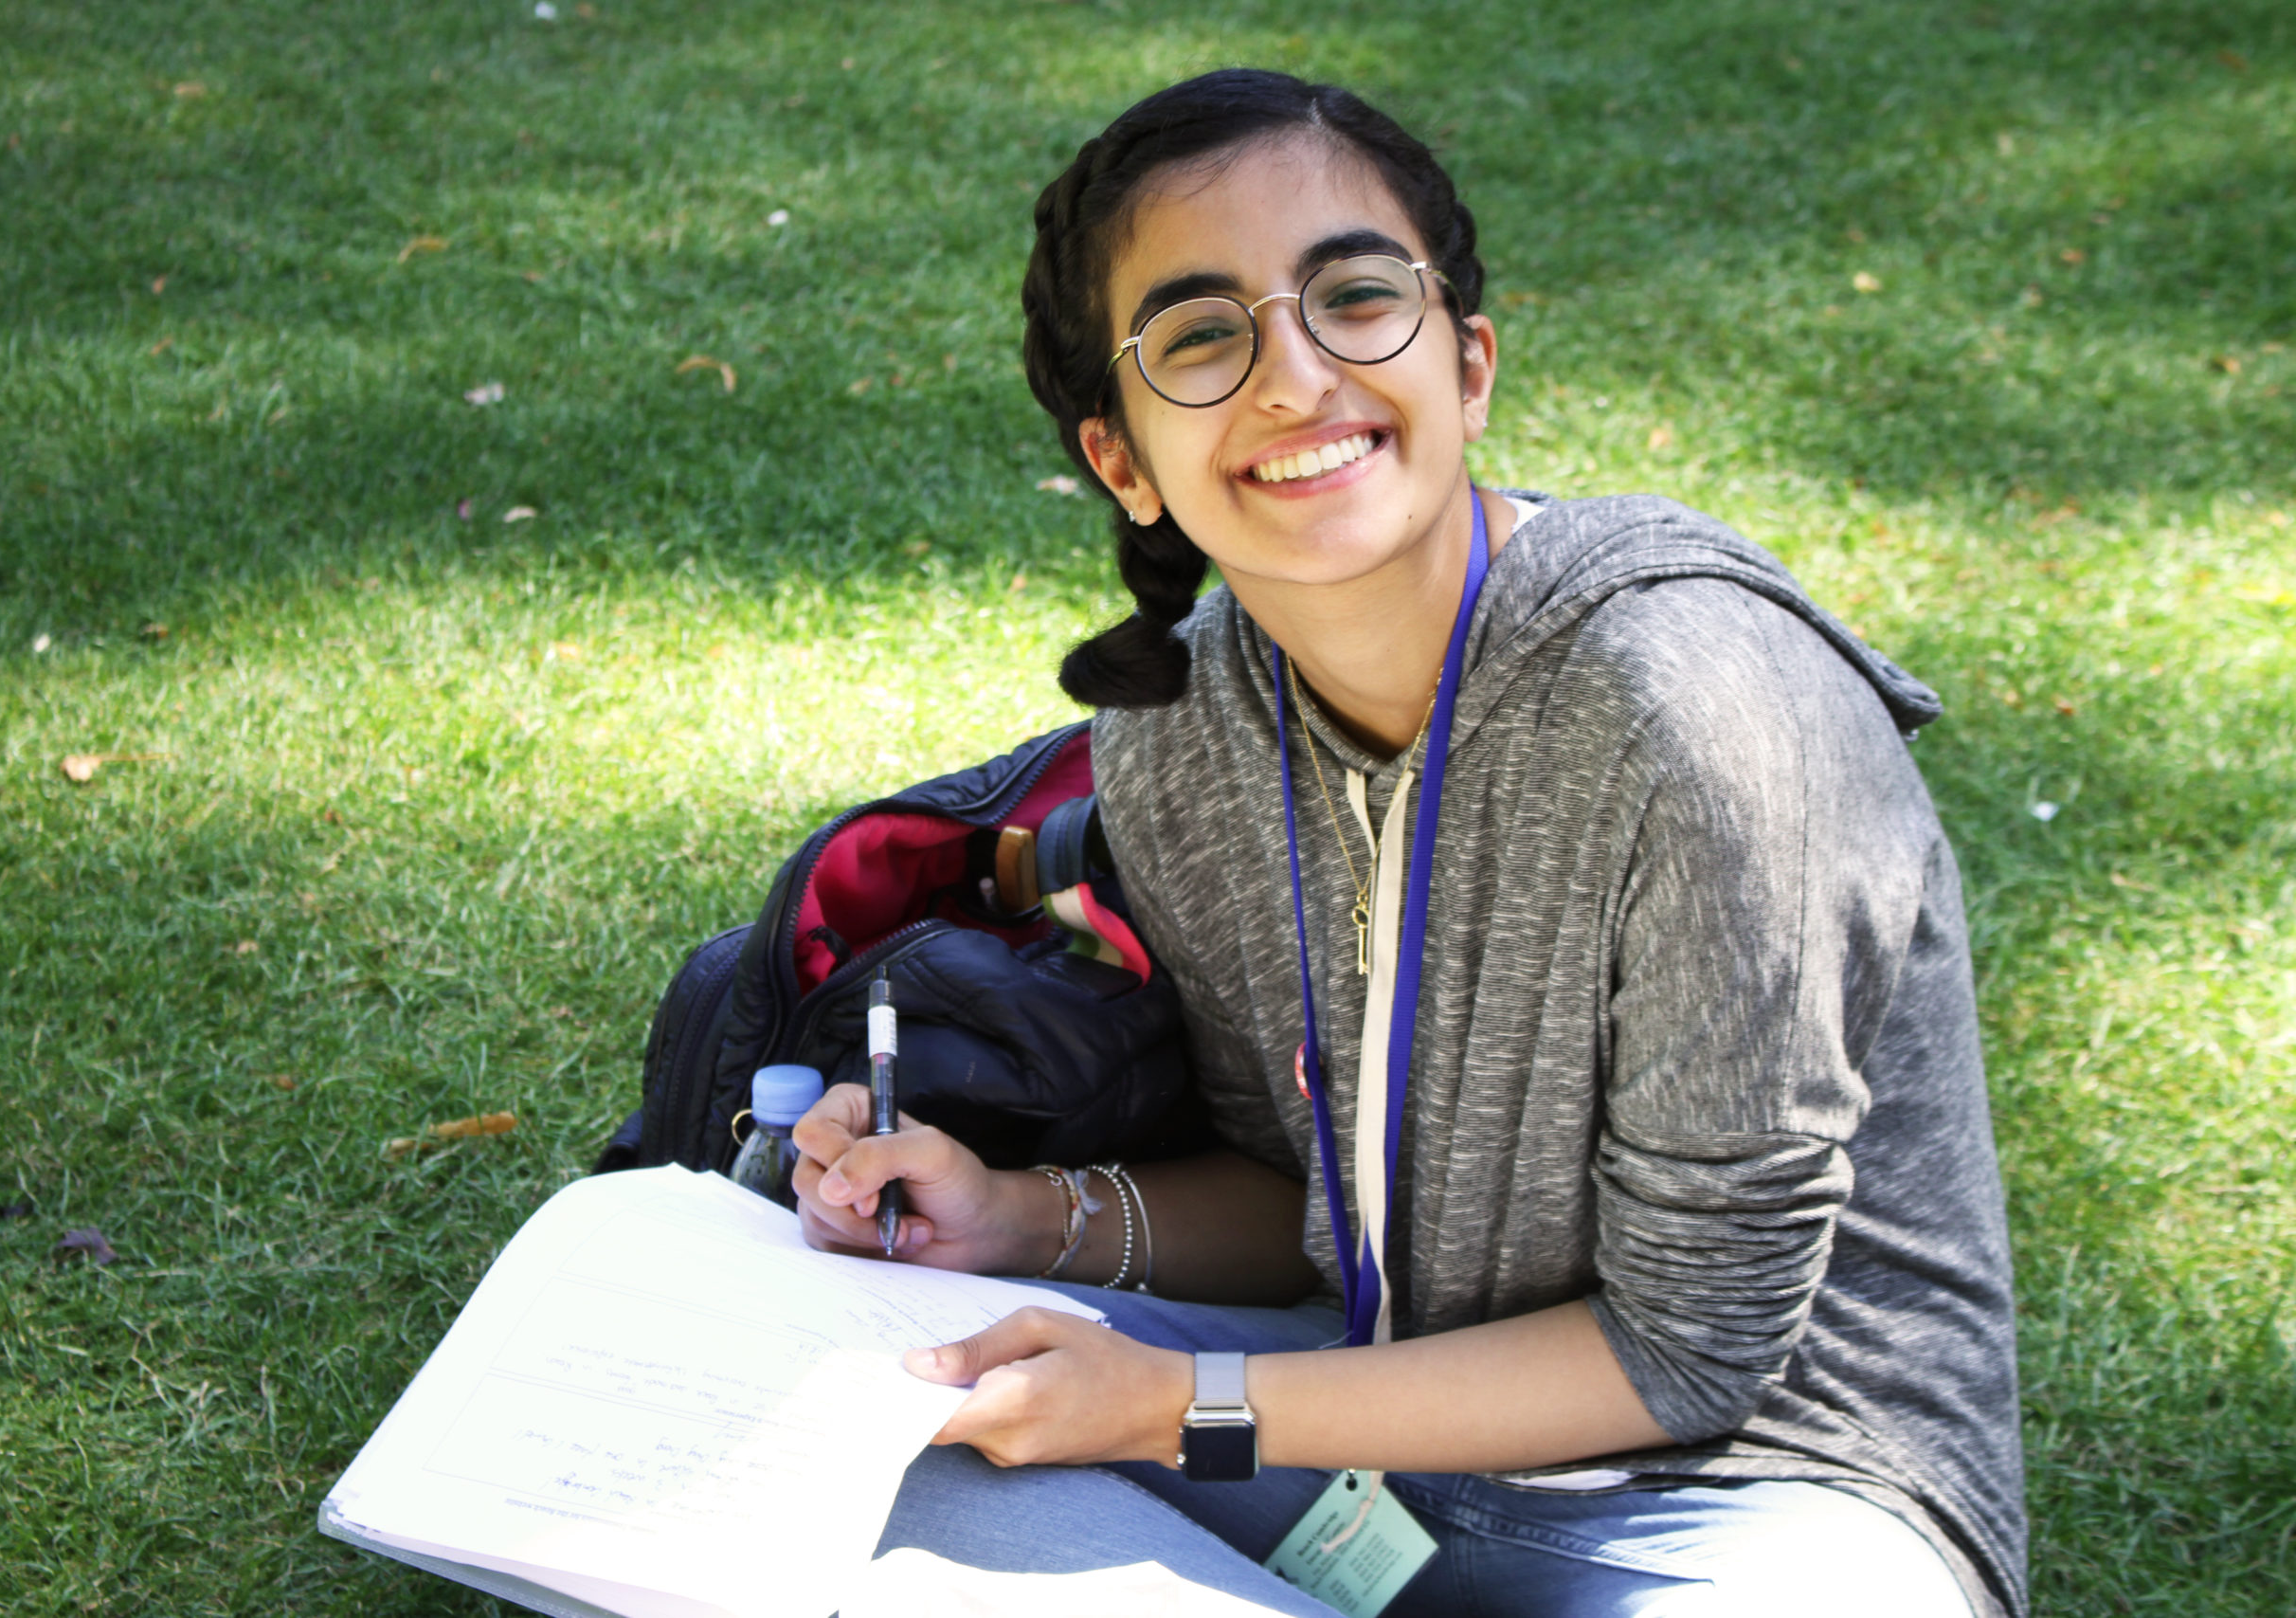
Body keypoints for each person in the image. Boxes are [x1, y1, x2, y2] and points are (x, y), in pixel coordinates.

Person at [789, 68, 2026, 1618]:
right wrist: (1026, 1219)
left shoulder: (1705, 712)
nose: (1296, 379)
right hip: (1371, 1404)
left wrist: (1175, 1407)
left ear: (1470, 362)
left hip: (1768, 1499)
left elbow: (1691, 1349)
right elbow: (1300, 1195)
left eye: (1355, 297)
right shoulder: (1185, 731)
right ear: (1120, 458)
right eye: (1199, 336)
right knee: (846, 1473)